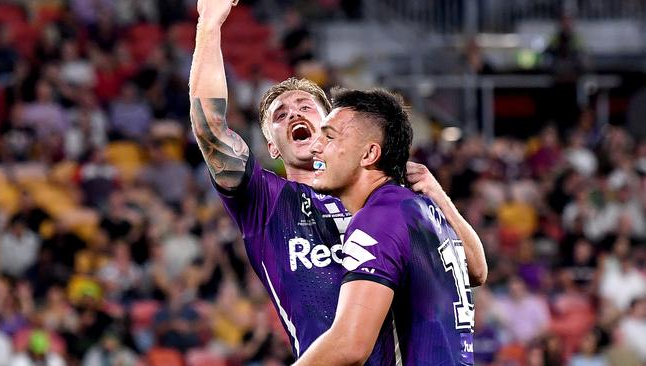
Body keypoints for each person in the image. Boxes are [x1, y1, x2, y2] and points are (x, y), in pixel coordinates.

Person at [189, 0, 486, 360]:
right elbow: (211, 129)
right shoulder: (265, 202)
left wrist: (435, 192)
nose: (294, 113)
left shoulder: (386, 194)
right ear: (272, 146)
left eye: (305, 106)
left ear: (335, 126)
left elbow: (473, 269)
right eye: (280, 115)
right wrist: (210, 22)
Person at [296, 88, 474, 365]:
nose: (315, 146)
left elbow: (351, 344)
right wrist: (439, 196)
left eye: (329, 136)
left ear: (369, 154)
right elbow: (477, 270)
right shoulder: (424, 209)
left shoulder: (378, 218)